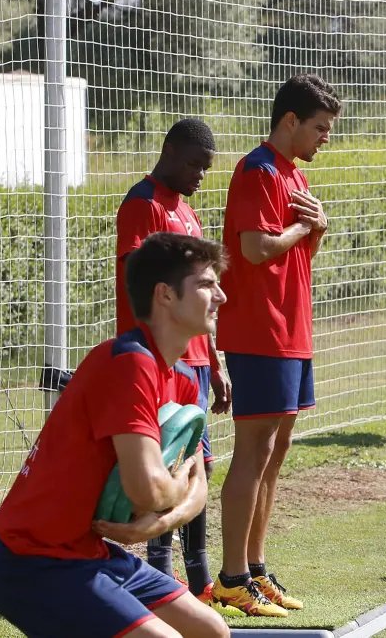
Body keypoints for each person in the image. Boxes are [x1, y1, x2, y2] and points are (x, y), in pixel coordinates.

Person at [0, 232, 230, 638]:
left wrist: (159, 523)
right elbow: (148, 490)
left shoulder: (181, 378)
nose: (221, 296)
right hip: (26, 559)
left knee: (212, 631)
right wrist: (177, 488)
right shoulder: (128, 364)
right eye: (205, 284)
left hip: (88, 552)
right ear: (165, 294)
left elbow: (199, 485)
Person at [212, 73, 340, 617]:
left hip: (292, 330)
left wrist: (318, 229)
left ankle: (256, 569)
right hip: (260, 331)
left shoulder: (295, 176)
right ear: (290, 121)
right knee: (254, 450)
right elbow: (257, 248)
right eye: (320, 127)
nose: (326, 138)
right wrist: (302, 229)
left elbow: (294, 255)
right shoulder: (258, 170)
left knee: (277, 449)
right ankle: (231, 578)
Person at [115, 118, 239, 617]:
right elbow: (140, 280)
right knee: (167, 464)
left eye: (205, 168)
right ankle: (161, 575)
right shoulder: (142, 204)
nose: (199, 175)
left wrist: (216, 362)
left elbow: (201, 297)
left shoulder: (188, 212)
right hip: (159, 361)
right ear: (168, 151)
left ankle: (201, 578)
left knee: (200, 466)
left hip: (196, 363)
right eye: (192, 164)